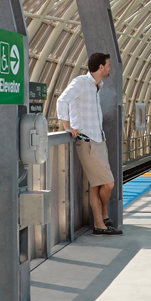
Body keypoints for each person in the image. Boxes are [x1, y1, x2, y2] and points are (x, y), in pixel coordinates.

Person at [56, 52, 121, 235]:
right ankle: (103, 216)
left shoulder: (97, 85)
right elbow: (62, 100)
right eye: (108, 65)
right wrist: (67, 126)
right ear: (101, 67)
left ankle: (100, 224)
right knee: (108, 183)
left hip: (99, 139)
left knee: (95, 184)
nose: (109, 68)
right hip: (87, 141)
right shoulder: (80, 83)